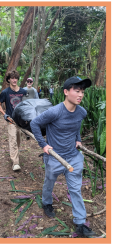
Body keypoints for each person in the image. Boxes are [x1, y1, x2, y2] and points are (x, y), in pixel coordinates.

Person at [30, 76, 96, 237]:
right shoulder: (55, 111)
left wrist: (78, 139)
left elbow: (77, 126)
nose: (80, 94)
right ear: (66, 92)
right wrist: (43, 145)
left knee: (75, 189)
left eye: (82, 91)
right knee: (49, 182)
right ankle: (46, 203)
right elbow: (34, 124)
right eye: (77, 91)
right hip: (55, 157)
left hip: (73, 157)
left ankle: (80, 223)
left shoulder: (81, 112)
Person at [0, 70, 27, 171]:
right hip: (11, 120)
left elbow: (27, 105)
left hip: (20, 121)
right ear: (9, 79)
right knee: (12, 140)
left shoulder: (23, 92)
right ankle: (15, 163)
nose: (14, 80)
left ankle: (15, 155)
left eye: (16, 78)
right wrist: (4, 114)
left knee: (18, 140)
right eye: (12, 78)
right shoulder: (5, 92)